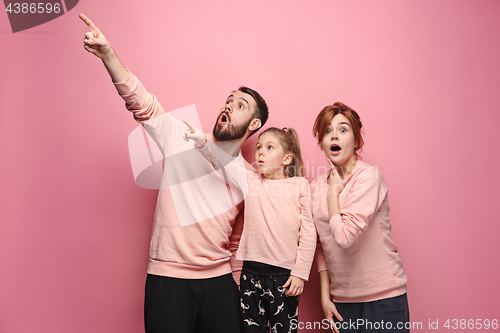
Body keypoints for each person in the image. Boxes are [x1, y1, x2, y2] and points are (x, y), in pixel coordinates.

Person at [80, 13, 269, 333]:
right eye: (228, 101)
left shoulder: (247, 177)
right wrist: (109, 55)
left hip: (220, 284)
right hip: (167, 281)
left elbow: (240, 241)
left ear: (253, 125)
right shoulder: (182, 136)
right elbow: (142, 104)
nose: (228, 106)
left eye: (239, 105)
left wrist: (236, 288)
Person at [184, 124, 317, 333]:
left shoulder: (300, 185)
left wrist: (300, 274)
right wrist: (202, 144)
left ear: (287, 159)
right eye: (259, 147)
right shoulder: (251, 181)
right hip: (250, 275)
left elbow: (309, 233)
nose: (261, 151)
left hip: (283, 278)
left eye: (270, 147)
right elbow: (224, 163)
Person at [310, 102, 409, 333]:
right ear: (322, 144)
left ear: (356, 142)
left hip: (384, 299)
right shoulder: (315, 187)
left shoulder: (368, 177)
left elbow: (344, 237)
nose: (334, 135)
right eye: (327, 131)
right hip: (343, 303)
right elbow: (322, 245)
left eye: (343, 130)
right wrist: (326, 296)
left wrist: (333, 193)